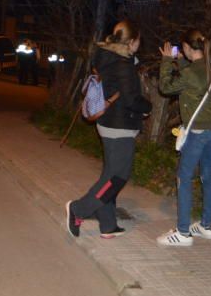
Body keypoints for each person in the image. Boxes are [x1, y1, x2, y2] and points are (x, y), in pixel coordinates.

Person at [65, 20, 152, 239]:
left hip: (110, 123)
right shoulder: (122, 65)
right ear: (131, 41)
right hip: (119, 126)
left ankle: (108, 224)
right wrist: (147, 106)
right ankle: (79, 209)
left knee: (109, 176)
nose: (140, 44)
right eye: (138, 40)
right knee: (117, 178)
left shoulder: (111, 58)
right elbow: (132, 99)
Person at [156, 29, 211, 247]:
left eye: (182, 48)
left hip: (197, 133)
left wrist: (167, 61)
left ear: (187, 48)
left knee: (184, 177)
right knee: (208, 175)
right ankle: (206, 226)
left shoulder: (191, 73)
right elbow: (196, 80)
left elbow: (166, 87)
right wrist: (181, 62)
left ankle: (183, 232)